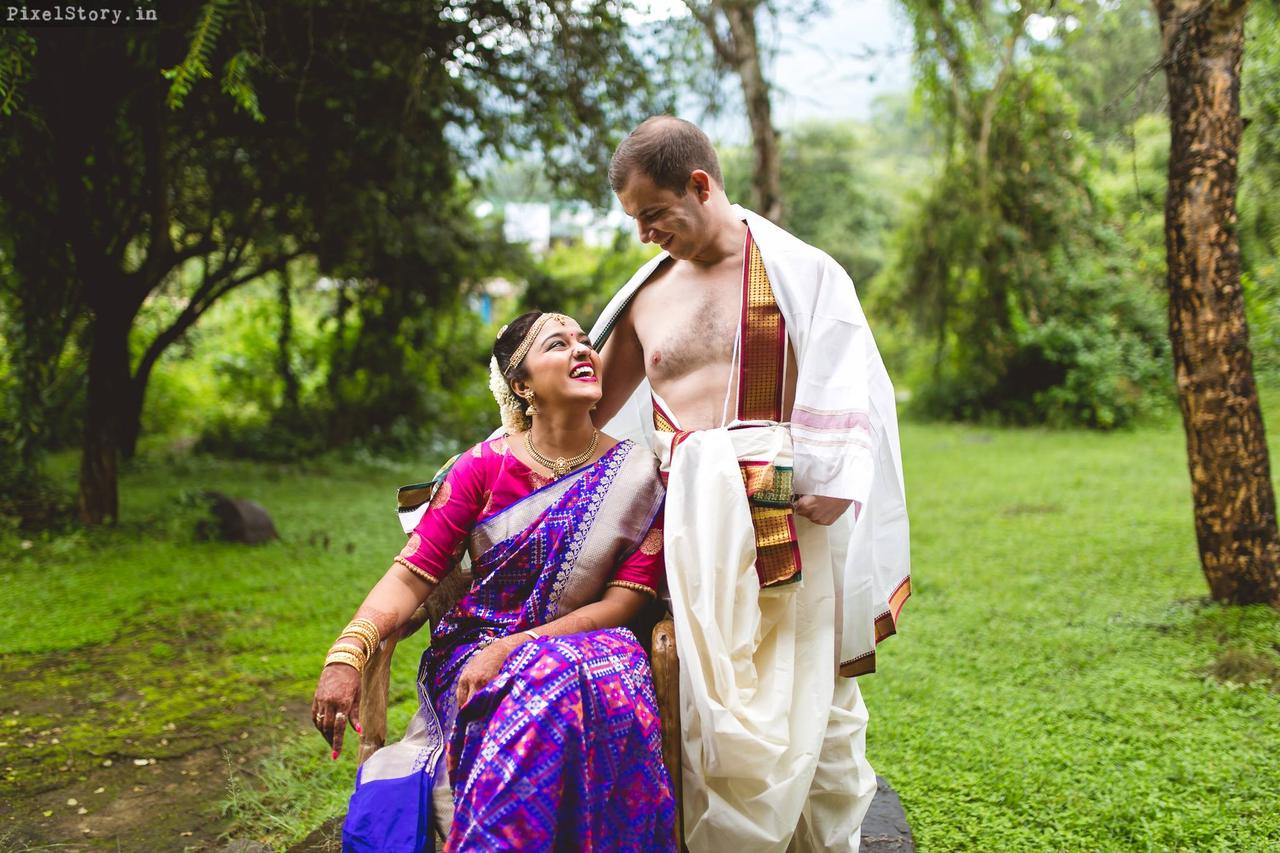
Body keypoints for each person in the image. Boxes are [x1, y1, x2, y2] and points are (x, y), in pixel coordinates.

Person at [589, 116, 911, 852]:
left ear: (700, 185)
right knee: (710, 697)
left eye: (653, 214)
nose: (644, 235)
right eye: (635, 221)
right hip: (693, 530)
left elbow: (852, 378)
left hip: (787, 513)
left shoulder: (803, 273)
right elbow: (592, 407)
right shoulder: (644, 297)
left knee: (814, 693)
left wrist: (829, 476)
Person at [313, 311, 677, 852]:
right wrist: (347, 653)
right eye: (558, 344)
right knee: (532, 678)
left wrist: (522, 646)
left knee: (551, 674)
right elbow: (412, 576)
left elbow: (626, 602)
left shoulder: (642, 475)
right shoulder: (481, 469)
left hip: (593, 649)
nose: (582, 351)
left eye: (585, 342)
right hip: (474, 657)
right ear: (521, 384)